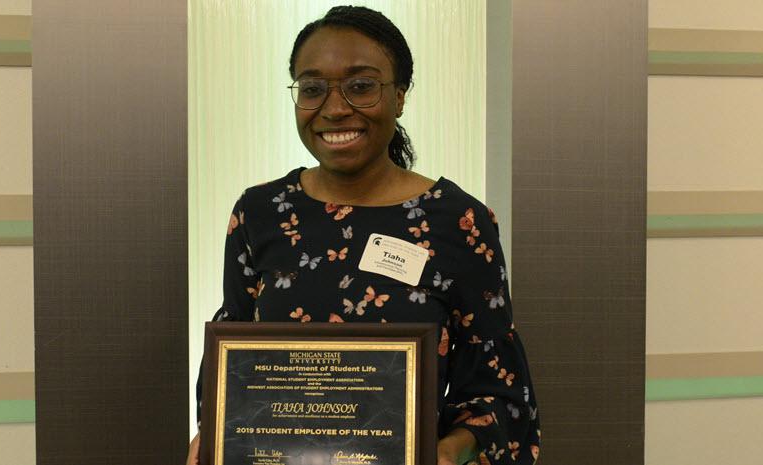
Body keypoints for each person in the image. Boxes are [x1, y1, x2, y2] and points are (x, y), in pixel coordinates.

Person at [187, 6, 540, 465]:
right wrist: (213, 435)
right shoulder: (260, 213)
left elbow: (498, 392)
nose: (335, 109)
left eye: (361, 86)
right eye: (312, 88)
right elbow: (231, 364)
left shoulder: (459, 223)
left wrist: (450, 452)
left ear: (400, 96)